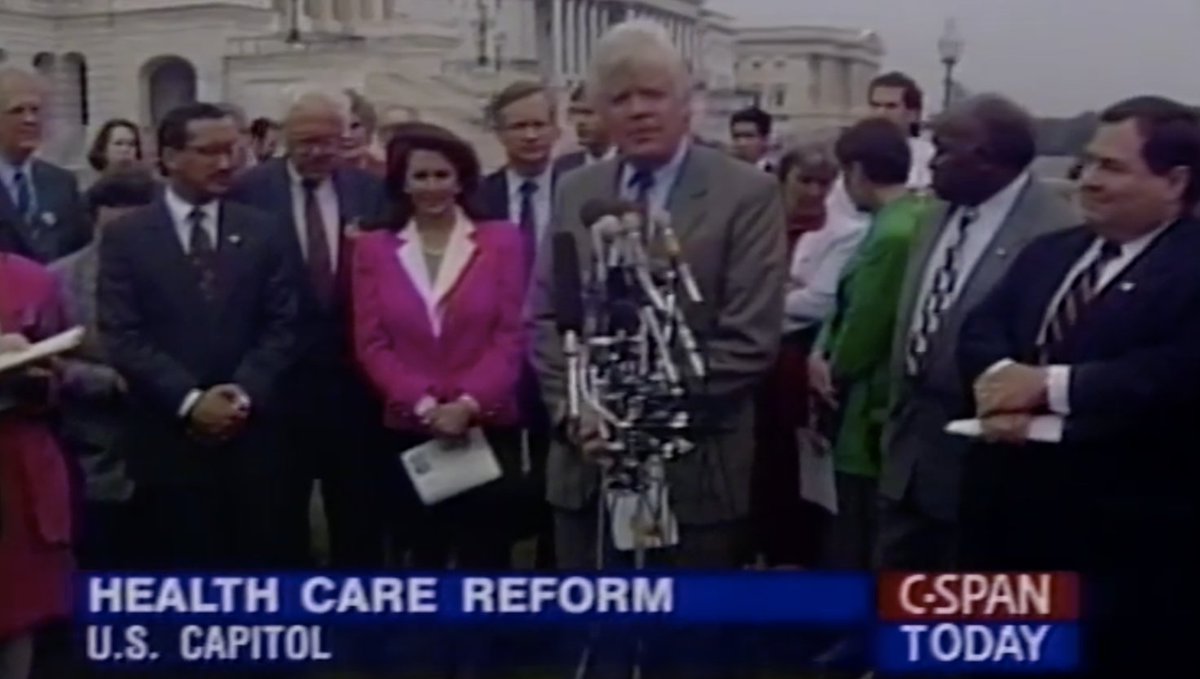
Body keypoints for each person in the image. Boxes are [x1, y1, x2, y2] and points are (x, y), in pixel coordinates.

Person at [957, 95, 1200, 670]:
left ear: (1176, 182)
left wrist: (1048, 391)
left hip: (1123, 552)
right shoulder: (1051, 252)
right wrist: (999, 383)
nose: (1087, 181)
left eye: (1111, 168)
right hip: (1005, 532)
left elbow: (1174, 373)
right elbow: (981, 329)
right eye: (1086, 163)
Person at [534, 18, 786, 570]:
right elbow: (547, 316)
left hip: (695, 464)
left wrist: (635, 417)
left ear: (687, 100)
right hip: (587, 465)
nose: (638, 110)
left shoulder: (747, 193)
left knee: (686, 642)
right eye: (620, 98)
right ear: (598, 111)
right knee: (597, 633)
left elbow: (750, 339)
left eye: (653, 94)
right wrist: (578, 412)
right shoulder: (577, 189)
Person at [97, 102, 301, 569]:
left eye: (232, 150)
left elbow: (283, 325)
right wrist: (190, 401)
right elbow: (124, 334)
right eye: (208, 151)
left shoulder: (264, 231)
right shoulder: (128, 237)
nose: (225, 163)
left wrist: (241, 396)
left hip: (254, 441)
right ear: (168, 157)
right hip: (168, 444)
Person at [877, 95, 1076, 569]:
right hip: (907, 455)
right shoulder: (932, 217)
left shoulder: (1056, 233)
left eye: (943, 150)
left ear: (985, 158)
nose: (932, 165)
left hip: (986, 465)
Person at [352, 123, 527, 569]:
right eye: (420, 176)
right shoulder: (373, 249)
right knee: (419, 556)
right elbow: (371, 342)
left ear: (462, 178)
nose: (432, 187)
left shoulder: (502, 241)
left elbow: (511, 334)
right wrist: (426, 406)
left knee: (485, 558)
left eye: (442, 175)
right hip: (412, 428)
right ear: (402, 183)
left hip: (484, 424)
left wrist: (467, 404)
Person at [228, 86, 387, 567]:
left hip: (354, 383)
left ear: (345, 138)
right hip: (278, 387)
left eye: (327, 141)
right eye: (305, 142)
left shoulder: (369, 191)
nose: (317, 152)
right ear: (283, 139)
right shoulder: (249, 191)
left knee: (359, 518)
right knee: (279, 521)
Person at [808, 119, 929, 569]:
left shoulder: (892, 234)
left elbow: (865, 321)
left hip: (866, 409)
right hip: (879, 403)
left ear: (856, 171)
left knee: (856, 530)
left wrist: (828, 365)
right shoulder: (912, 216)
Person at [50, 167, 158, 569]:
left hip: (167, 453)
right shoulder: (59, 280)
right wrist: (110, 382)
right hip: (94, 457)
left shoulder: (182, 272)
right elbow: (48, 361)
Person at [475, 79, 564, 568]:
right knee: (493, 477)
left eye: (539, 124)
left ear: (556, 128)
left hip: (561, 357)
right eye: (518, 126)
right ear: (499, 133)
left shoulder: (582, 191)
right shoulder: (477, 197)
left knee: (562, 475)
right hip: (495, 359)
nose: (531, 136)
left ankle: (555, 584)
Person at [750, 142, 838, 568]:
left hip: (801, 365)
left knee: (794, 467)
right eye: (805, 180)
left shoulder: (838, 231)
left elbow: (820, 302)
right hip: (754, 364)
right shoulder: (761, 225)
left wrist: (776, 302)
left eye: (824, 183)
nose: (815, 192)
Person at [0, 253, 73, 679]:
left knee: (16, 610)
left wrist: (36, 373)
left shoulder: (30, 280)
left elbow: (60, 375)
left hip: (16, 464)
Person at [0, 68, 90, 263]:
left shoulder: (62, 183)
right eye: (17, 111)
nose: (30, 119)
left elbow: (81, 253)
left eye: (36, 110)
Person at [554, 83, 614, 174]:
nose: (580, 121)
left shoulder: (630, 165)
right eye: (576, 113)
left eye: (588, 113)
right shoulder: (562, 167)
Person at [343, 89, 385, 176]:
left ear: (369, 128)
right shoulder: (317, 175)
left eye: (355, 126)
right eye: (340, 127)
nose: (346, 135)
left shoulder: (386, 173)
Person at [730, 106, 775, 172]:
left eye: (749, 136)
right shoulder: (722, 173)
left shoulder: (776, 177)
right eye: (736, 136)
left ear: (765, 139)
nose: (741, 143)